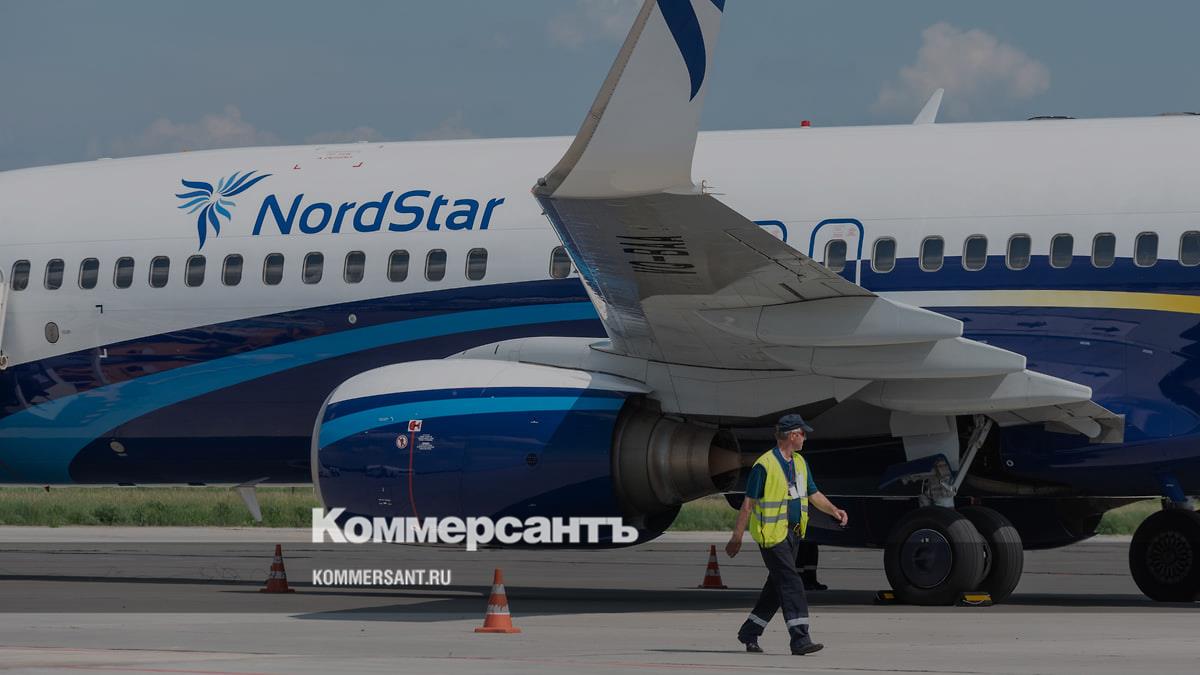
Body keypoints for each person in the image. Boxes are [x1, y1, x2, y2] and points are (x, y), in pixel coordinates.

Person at [726, 414, 848, 656]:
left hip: (794, 534)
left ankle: (749, 632)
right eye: (803, 433)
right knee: (792, 583)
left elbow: (813, 494)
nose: (805, 438)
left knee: (776, 587)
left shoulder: (800, 462)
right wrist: (737, 537)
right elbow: (748, 504)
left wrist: (834, 510)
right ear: (792, 435)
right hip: (772, 536)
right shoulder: (764, 465)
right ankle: (800, 639)